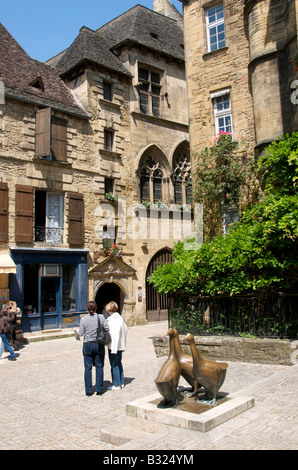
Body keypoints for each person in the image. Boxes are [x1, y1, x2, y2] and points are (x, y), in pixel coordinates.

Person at [74, 301, 110, 396]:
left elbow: (81, 333)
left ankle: (89, 391)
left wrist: (76, 331)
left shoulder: (83, 319)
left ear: (87, 308)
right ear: (96, 308)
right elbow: (107, 329)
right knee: (99, 366)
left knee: (88, 368)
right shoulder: (101, 317)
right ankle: (99, 389)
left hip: (88, 345)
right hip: (98, 344)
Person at [105, 301, 127, 390]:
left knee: (114, 364)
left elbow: (112, 334)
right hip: (119, 345)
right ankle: (121, 381)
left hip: (114, 346)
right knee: (119, 363)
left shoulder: (112, 320)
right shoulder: (119, 318)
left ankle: (116, 384)